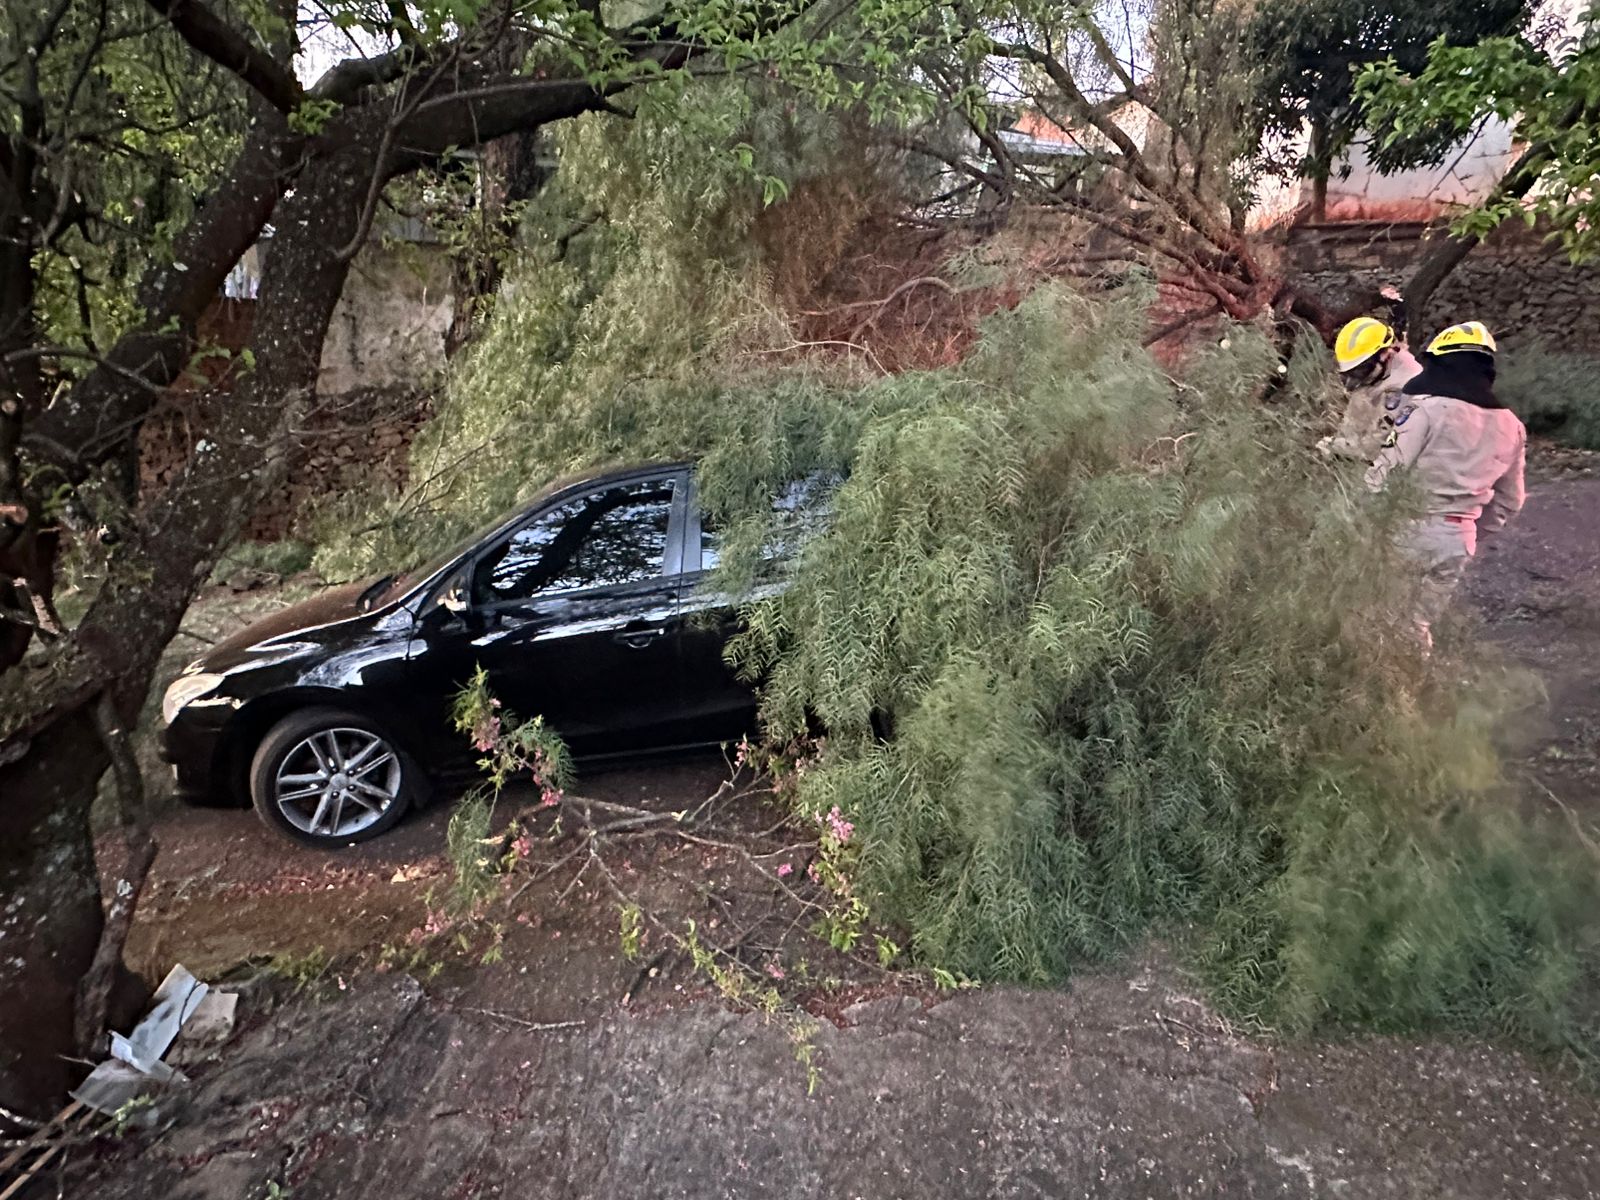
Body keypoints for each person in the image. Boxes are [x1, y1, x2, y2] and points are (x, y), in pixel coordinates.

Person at [1365, 320, 1526, 651]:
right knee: (1416, 624)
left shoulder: (1425, 410)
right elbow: (1511, 501)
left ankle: (1376, 689)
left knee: (1377, 617)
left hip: (1406, 533)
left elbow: (1384, 476)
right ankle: (1414, 690)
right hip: (1457, 541)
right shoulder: (1513, 426)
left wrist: (1354, 524)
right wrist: (1469, 531)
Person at [1319, 314, 1423, 460]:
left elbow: (1374, 449)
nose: (1354, 379)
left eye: (1360, 370)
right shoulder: (1378, 371)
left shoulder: (1404, 388)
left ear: (1386, 353)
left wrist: (1335, 448)